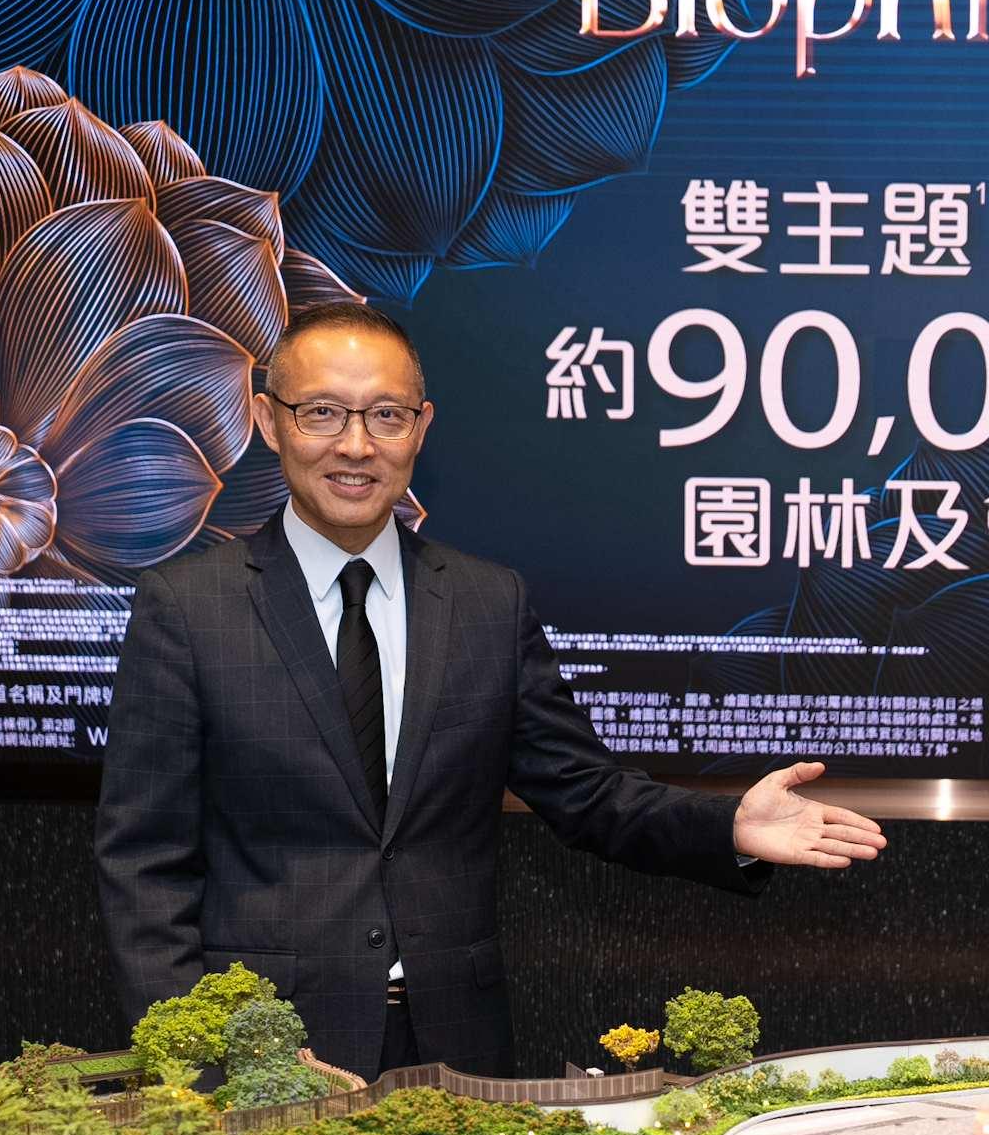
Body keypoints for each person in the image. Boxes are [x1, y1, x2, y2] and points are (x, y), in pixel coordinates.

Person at [98, 299, 885, 1076]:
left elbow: (586, 792)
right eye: (322, 413)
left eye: (385, 416)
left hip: (459, 1046)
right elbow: (144, 865)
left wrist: (729, 827)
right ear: (269, 422)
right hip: (267, 1053)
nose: (356, 445)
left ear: (421, 428)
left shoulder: (485, 602)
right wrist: (201, 1061)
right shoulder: (188, 606)